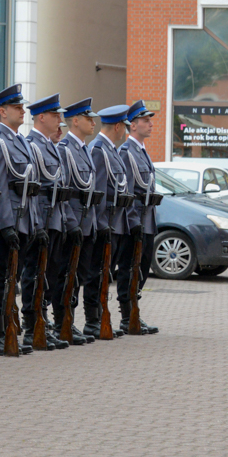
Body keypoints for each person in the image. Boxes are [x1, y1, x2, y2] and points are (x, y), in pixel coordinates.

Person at [0, 84, 37, 356]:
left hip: (23, 221)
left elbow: (29, 187)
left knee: (12, 278)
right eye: (17, 107)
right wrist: (5, 225)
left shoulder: (20, 141)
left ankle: (8, 328)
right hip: (7, 223)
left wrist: (33, 223)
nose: (22, 111)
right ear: (2, 112)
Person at [21, 94, 70, 350]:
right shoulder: (32, 145)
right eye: (55, 115)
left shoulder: (50, 145)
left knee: (49, 272)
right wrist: (37, 223)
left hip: (55, 218)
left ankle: (43, 319)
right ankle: (31, 325)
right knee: (35, 272)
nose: (59, 119)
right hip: (40, 218)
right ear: (41, 117)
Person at [53, 98, 99, 345]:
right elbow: (65, 191)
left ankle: (69, 321)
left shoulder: (84, 149)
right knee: (65, 275)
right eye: (88, 118)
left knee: (78, 276)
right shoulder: (65, 149)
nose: (93, 123)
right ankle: (61, 322)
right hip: (72, 223)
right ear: (76, 121)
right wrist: (71, 224)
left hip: (87, 222)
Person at [84, 104, 131, 339]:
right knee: (96, 273)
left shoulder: (111, 150)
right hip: (105, 223)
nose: (126, 131)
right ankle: (93, 320)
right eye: (125, 126)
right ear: (118, 126)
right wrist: (101, 224)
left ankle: (101, 316)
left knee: (106, 273)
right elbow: (99, 191)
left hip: (115, 222)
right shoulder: (99, 150)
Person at [116, 100, 160, 335]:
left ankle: (134, 312)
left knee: (142, 267)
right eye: (145, 120)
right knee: (129, 268)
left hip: (147, 219)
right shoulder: (126, 153)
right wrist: (133, 222)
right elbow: (128, 191)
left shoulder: (141, 152)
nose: (150, 124)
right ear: (132, 125)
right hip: (135, 221)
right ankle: (127, 316)